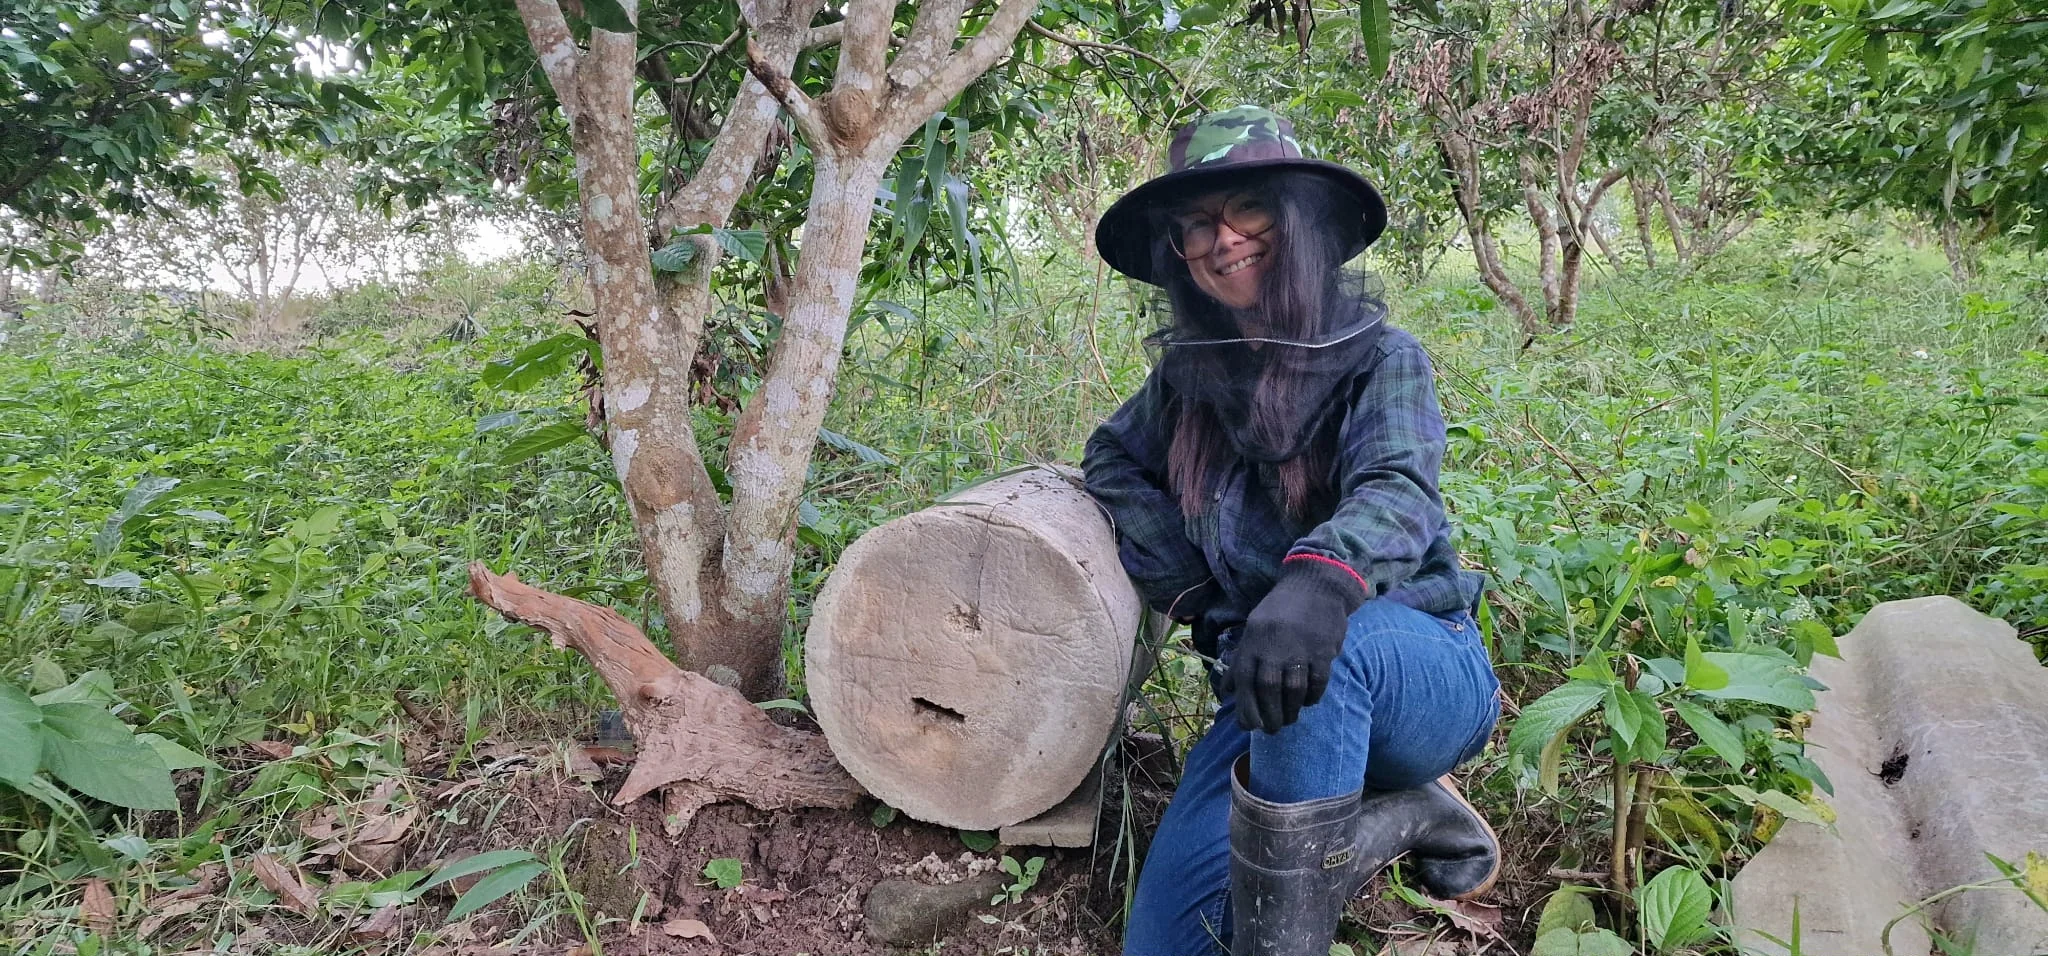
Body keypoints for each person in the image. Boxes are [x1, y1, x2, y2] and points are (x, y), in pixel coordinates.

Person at [1082, 106, 1504, 956]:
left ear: (1300, 221)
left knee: (1333, 647)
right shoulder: (1185, 378)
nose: (1222, 238)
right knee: (1165, 945)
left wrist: (1319, 581)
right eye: (1196, 224)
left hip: (1419, 670)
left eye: (1250, 209)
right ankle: (1409, 811)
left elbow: (1399, 485)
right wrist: (1197, 593)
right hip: (1268, 695)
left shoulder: (1385, 357)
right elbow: (1112, 459)